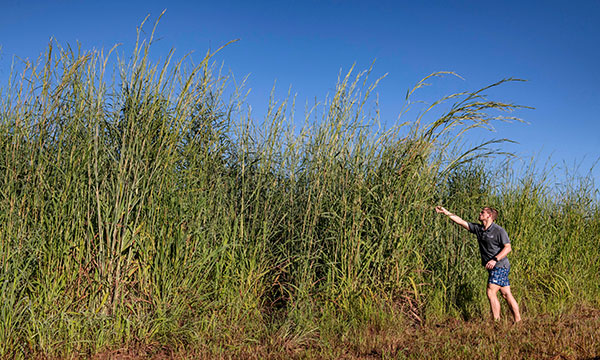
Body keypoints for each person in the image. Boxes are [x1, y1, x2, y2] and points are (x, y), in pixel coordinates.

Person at [435, 206, 521, 322]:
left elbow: (508, 248)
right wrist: (446, 212)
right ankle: (518, 320)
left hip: (500, 265)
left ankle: (496, 322)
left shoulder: (499, 230)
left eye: (482, 212)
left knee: (491, 292)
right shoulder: (479, 229)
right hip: (493, 267)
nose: (479, 213)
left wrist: (495, 259)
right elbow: (461, 221)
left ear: (489, 216)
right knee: (506, 293)